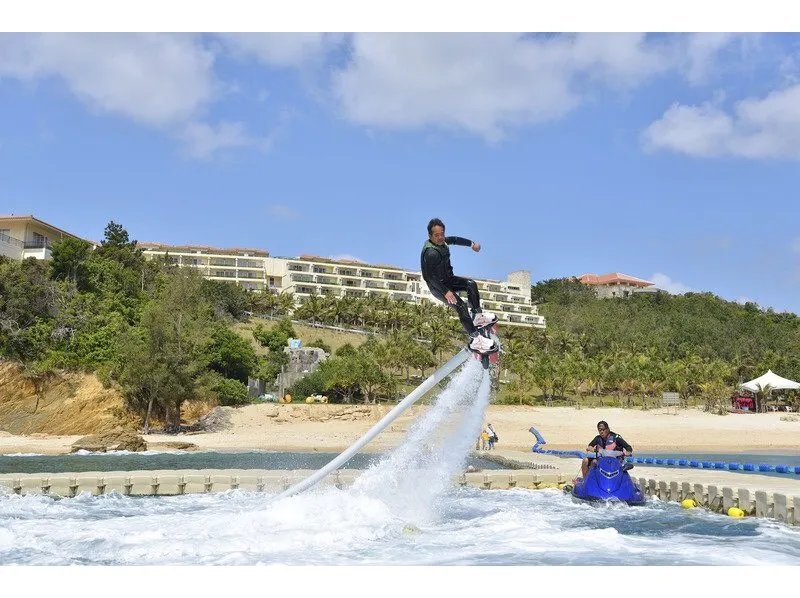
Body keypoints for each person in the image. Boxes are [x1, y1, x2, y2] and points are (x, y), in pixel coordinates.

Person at [420, 218, 497, 353]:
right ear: (430, 236)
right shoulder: (430, 253)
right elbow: (430, 277)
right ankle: (475, 340)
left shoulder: (443, 242)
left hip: (448, 280)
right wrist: (445, 292)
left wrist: (472, 244)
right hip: (438, 287)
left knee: (470, 284)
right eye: (436, 235)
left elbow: (455, 239)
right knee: (460, 305)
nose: (440, 237)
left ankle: (478, 317)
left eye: (442, 234)